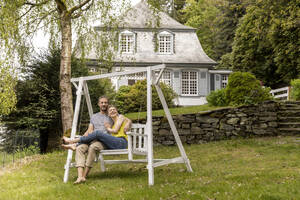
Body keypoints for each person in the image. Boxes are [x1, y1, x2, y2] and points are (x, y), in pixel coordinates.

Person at [63, 96, 131, 184]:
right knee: (80, 148)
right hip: (91, 138)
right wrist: (85, 137)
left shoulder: (111, 115)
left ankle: (74, 143)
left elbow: (124, 119)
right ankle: (80, 177)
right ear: (98, 104)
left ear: (108, 104)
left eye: (106, 102)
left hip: (103, 142)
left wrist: (129, 122)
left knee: (94, 145)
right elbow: (90, 130)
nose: (104, 104)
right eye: (102, 102)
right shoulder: (94, 116)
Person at [62, 105, 129, 150]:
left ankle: (72, 141)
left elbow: (115, 130)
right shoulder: (113, 123)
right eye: (110, 110)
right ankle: (76, 145)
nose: (112, 111)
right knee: (95, 137)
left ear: (117, 112)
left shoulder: (121, 117)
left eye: (114, 109)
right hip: (114, 144)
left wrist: (108, 128)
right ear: (108, 114)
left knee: (97, 133)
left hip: (121, 142)